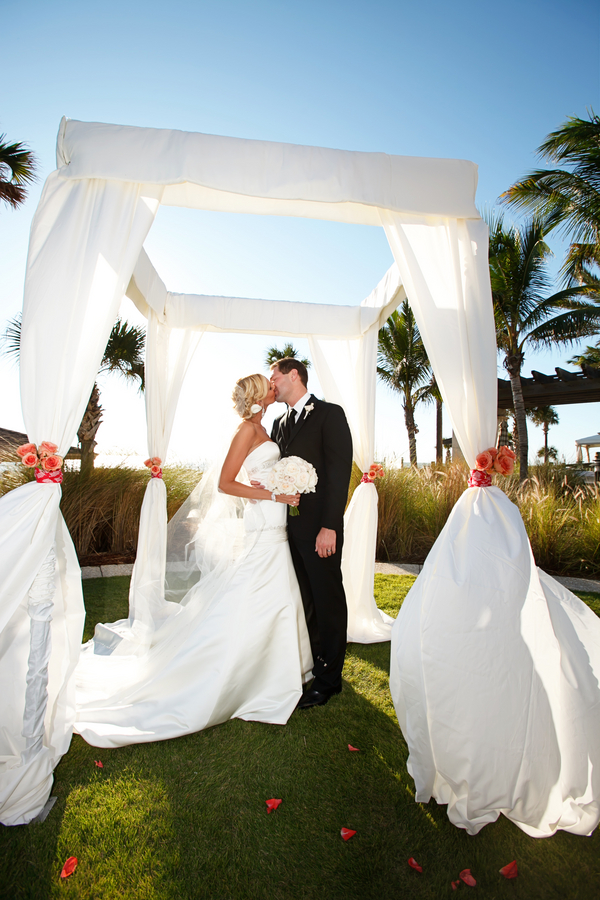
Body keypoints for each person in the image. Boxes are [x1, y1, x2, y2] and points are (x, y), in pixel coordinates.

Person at [74, 374, 313, 748]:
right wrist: (274, 497)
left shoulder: (262, 428)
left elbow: (257, 478)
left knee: (274, 592)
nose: (273, 386)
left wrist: (280, 489)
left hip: (273, 518)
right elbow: (225, 483)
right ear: (257, 395)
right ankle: (245, 673)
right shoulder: (246, 432)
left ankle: (271, 670)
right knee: (258, 588)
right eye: (267, 384)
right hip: (265, 518)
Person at [269, 358, 353, 709]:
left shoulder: (330, 414)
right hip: (288, 529)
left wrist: (330, 526)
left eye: (274, 377)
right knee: (306, 601)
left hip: (320, 528)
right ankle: (316, 663)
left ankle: (330, 680)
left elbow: (338, 473)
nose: (271, 383)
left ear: (294, 375)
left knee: (327, 601)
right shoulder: (277, 422)